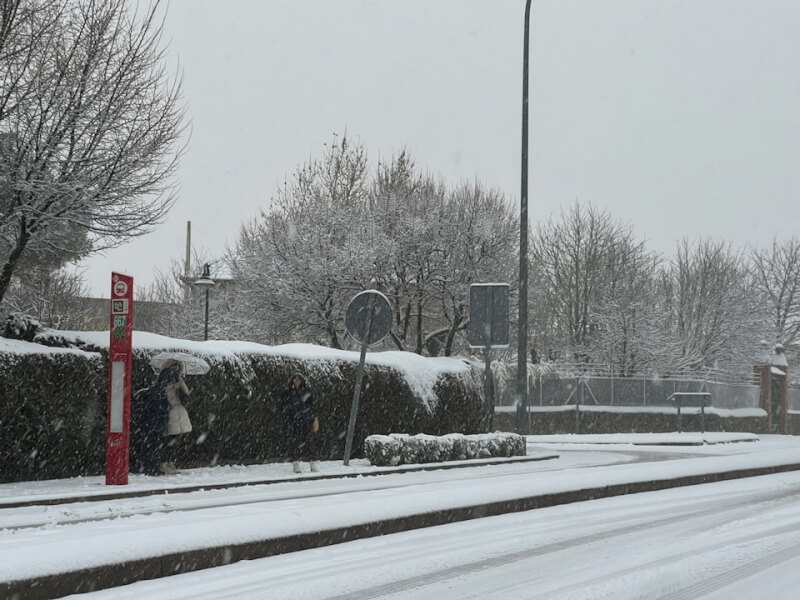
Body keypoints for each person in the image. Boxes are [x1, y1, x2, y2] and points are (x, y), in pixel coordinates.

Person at [280, 372, 320, 473]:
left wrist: (310, 417)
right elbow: (284, 406)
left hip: (305, 422)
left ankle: (313, 463)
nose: (296, 381)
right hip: (293, 422)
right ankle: (296, 464)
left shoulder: (306, 392)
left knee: (309, 443)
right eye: (295, 379)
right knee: (295, 443)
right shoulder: (288, 392)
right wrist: (292, 414)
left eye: (298, 379)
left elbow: (311, 406)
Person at [161, 361, 192, 474]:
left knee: (173, 439)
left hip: (178, 411)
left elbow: (187, 394)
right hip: (170, 411)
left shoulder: (178, 379)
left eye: (178, 368)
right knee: (168, 439)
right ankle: (165, 462)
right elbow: (163, 393)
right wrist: (171, 387)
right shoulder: (164, 379)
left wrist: (179, 382)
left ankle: (169, 461)